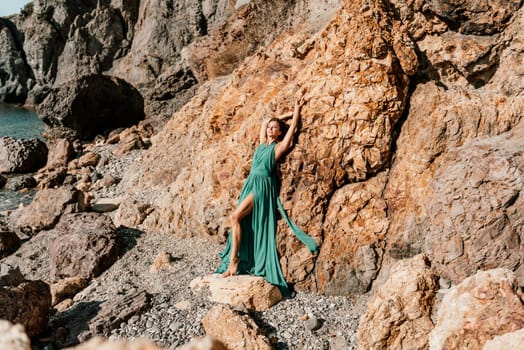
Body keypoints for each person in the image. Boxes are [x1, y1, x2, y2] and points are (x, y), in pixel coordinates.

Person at [215, 92, 318, 296]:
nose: (270, 129)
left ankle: (234, 261)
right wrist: (283, 116)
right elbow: (264, 121)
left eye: (275, 128)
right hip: (250, 183)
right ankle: (237, 258)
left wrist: (296, 111)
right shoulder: (262, 143)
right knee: (239, 220)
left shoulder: (278, 148)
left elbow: (291, 135)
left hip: (262, 188)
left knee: (235, 217)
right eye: (270, 127)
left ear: (279, 133)